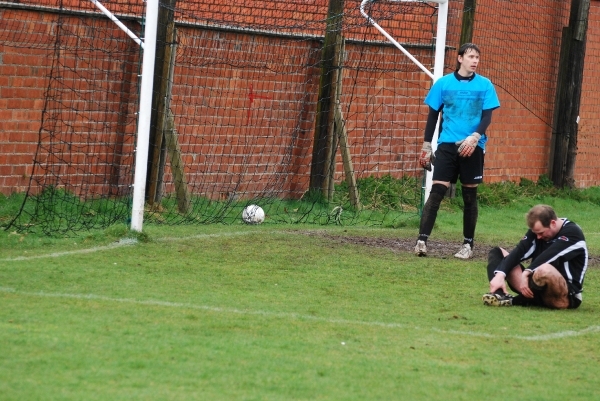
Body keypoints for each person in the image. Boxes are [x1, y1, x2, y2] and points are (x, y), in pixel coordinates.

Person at [414, 43, 500, 259]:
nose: (475, 60)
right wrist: (426, 145)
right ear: (460, 58)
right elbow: (433, 116)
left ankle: (467, 245)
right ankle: (421, 241)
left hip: (473, 146)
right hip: (447, 146)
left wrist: (475, 136)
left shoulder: (485, 85)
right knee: (437, 193)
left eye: (477, 57)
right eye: (471, 56)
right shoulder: (443, 84)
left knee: (470, 196)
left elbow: (487, 116)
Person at [483, 204, 588, 309]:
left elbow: (551, 254)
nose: (538, 237)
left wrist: (527, 272)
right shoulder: (538, 232)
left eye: (541, 233)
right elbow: (520, 251)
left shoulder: (573, 233)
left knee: (544, 269)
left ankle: (516, 301)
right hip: (535, 287)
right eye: (536, 233)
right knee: (498, 252)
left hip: (566, 296)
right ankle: (498, 295)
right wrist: (500, 275)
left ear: (553, 223)